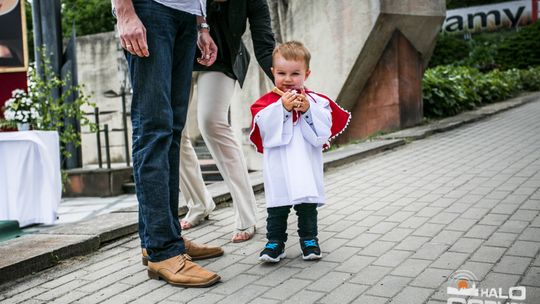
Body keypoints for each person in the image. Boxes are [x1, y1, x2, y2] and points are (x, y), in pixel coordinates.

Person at [113, 0, 224, 287]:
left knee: (172, 132)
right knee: (153, 129)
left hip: (185, 15)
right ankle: (163, 251)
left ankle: (162, 238)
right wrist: (125, 12)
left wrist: (201, 24)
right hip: (150, 9)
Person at [178, 0, 275, 243]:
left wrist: (283, 79)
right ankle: (199, 203)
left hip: (223, 59)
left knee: (212, 123)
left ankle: (246, 213)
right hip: (182, 54)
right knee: (172, 130)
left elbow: (264, 42)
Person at [249, 41, 351, 262]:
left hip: (305, 162)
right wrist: (282, 108)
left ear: (307, 73)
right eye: (282, 73)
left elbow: (323, 132)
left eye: (295, 73)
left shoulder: (316, 102)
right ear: (272, 72)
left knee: (307, 204)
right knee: (278, 205)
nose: (288, 79)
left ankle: (309, 239)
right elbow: (264, 129)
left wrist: (307, 110)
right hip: (278, 164)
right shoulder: (265, 105)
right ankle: (275, 242)